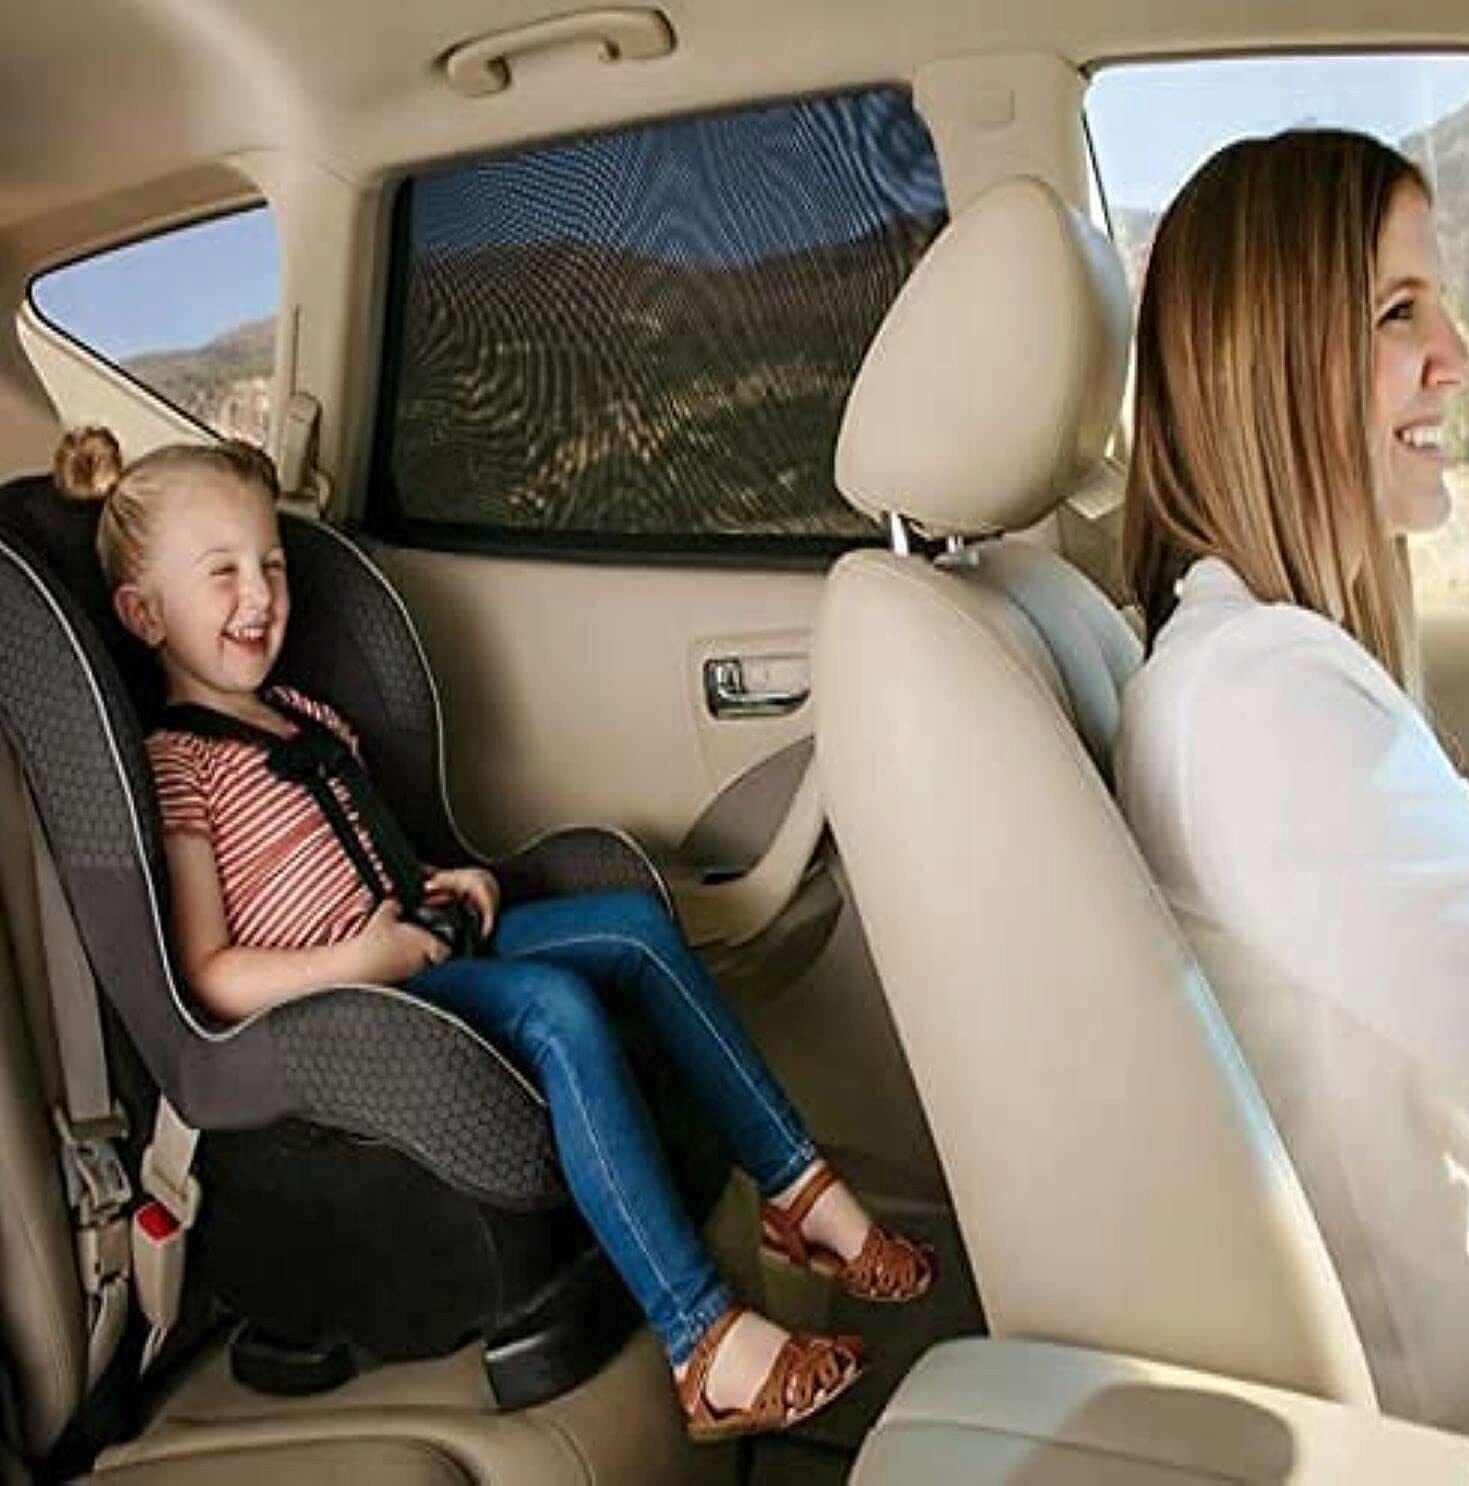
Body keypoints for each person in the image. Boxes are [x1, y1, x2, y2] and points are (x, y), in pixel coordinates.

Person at [54, 425, 935, 1442]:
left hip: (417, 943)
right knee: (555, 1008)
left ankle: (798, 1190)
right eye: (223, 574)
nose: (260, 596)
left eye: (273, 565)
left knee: (632, 928)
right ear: (144, 612)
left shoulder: (300, 713)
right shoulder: (182, 764)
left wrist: (447, 879)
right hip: (357, 1007)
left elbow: (363, 848)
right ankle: (702, 1341)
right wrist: (358, 960)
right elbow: (209, 975)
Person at [1112, 130, 1469, 1433]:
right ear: (1270, 357)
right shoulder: (1262, 701)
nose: (1456, 354)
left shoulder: (1249, 664)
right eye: (1396, 311)